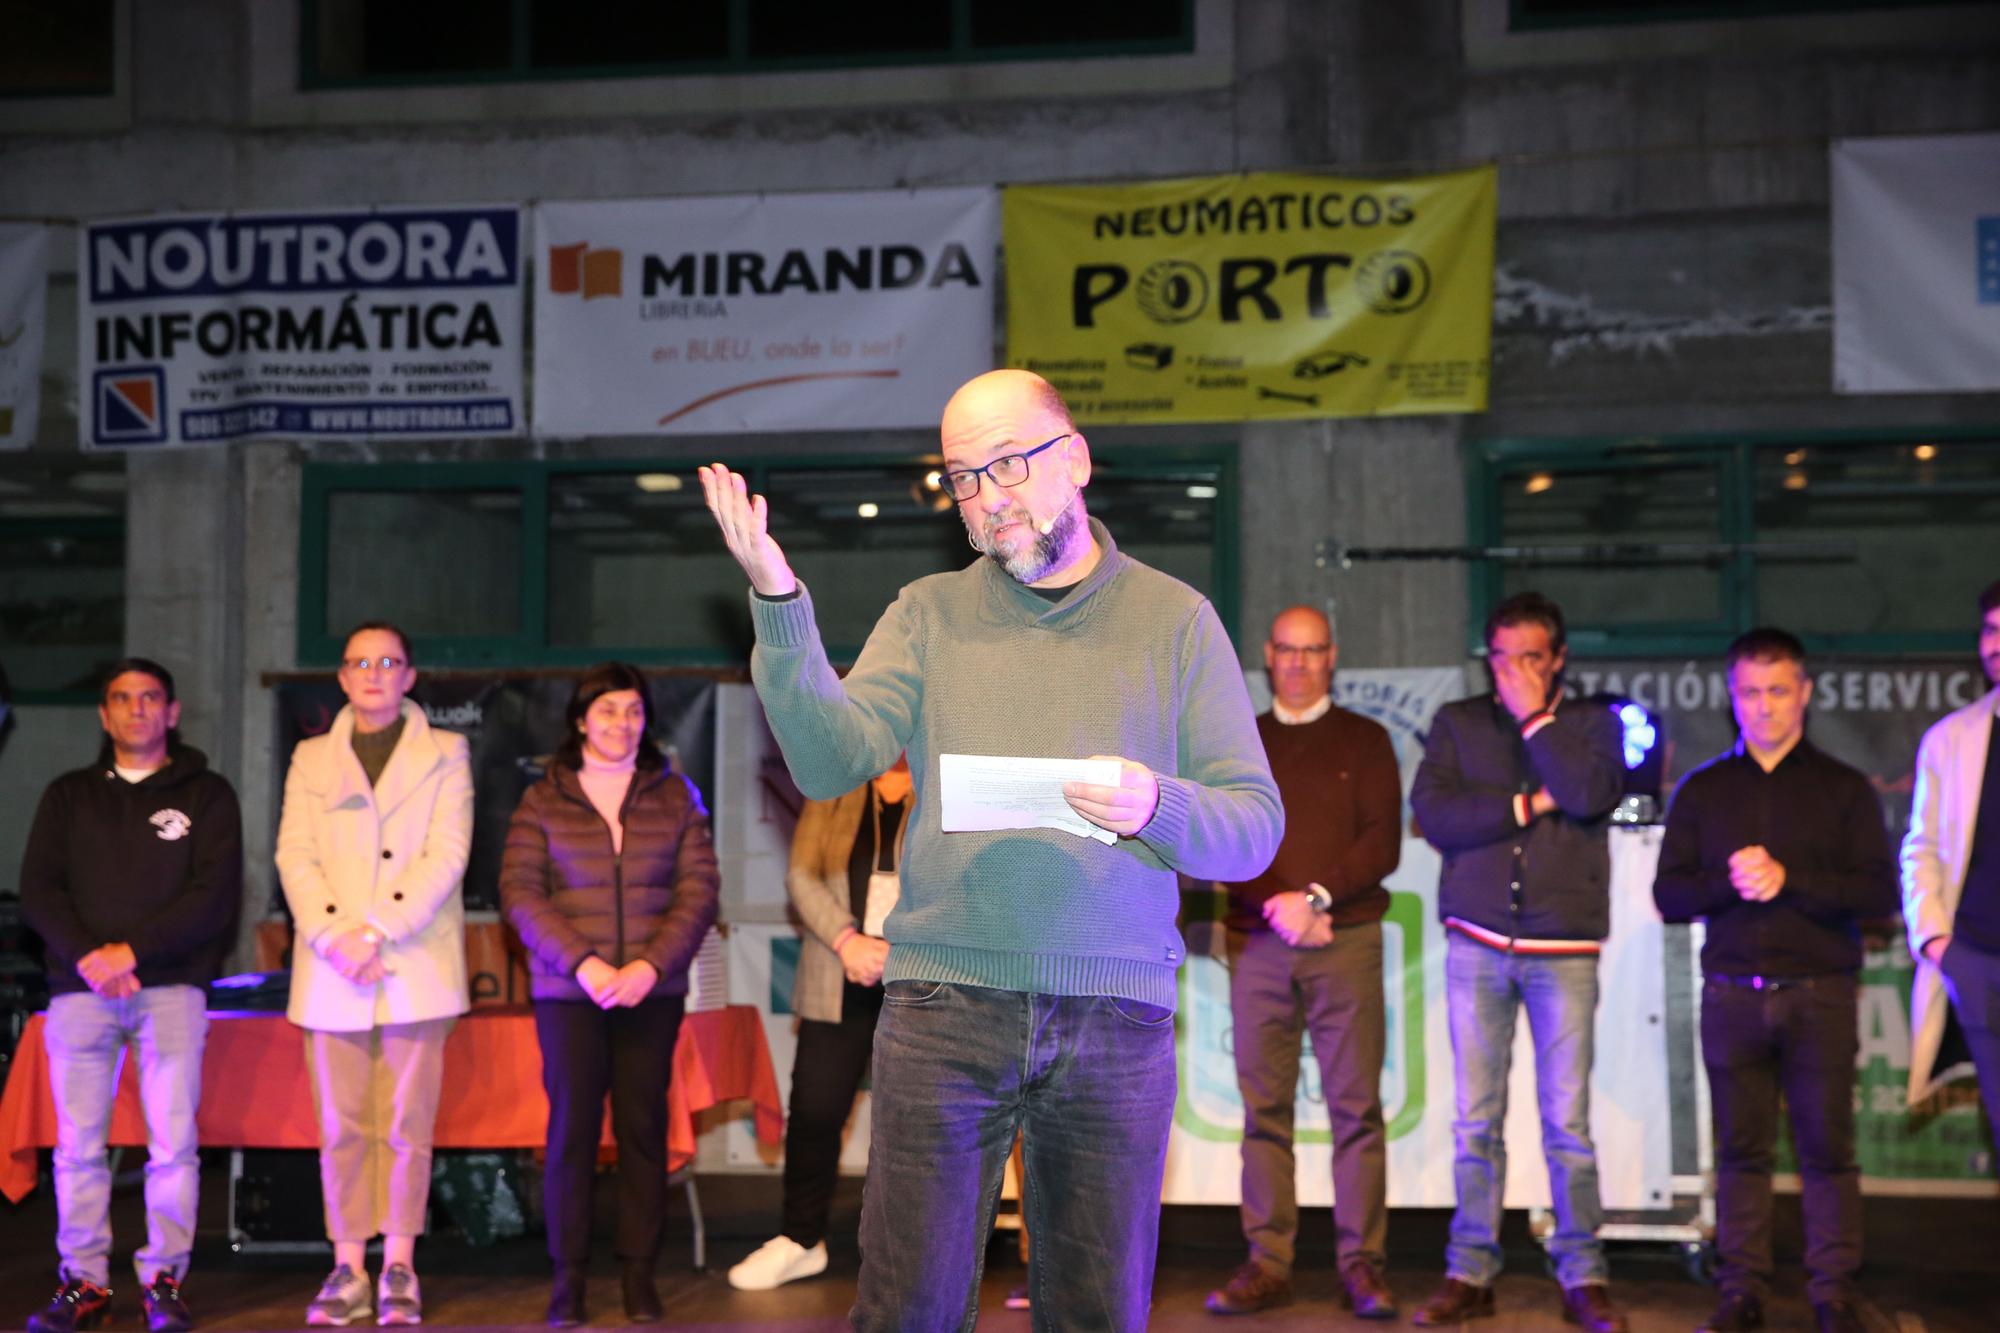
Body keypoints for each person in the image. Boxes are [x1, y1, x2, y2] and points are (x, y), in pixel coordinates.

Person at [697, 368, 1282, 1331]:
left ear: (1077, 460)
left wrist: (1156, 803)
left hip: (1113, 1018)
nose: (986, 494)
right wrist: (777, 595)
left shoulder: (1176, 622)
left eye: (1008, 462)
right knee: (904, 1312)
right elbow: (827, 756)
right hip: (941, 1011)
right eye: (964, 477)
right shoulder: (928, 612)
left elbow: (1253, 829)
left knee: (1095, 1312)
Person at [1653, 628, 1893, 1333]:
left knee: (1828, 1150)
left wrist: (1791, 880)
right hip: (1732, 993)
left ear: (1806, 694)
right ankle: (1740, 1289)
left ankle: (1834, 1290)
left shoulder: (1844, 788)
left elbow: (1878, 893)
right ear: (1733, 698)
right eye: (1751, 693)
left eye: (1778, 691)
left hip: (1820, 991)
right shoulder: (1703, 789)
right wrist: (1731, 884)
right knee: (1740, 1152)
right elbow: (1669, 896)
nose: (1764, 707)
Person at [1407, 592, 1629, 1333]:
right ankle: (1470, 1267)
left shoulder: (1593, 722)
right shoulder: (1459, 723)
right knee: (1475, 1120)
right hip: (1477, 940)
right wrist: (1524, 806)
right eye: (1502, 657)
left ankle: (1583, 1271)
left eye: (1531, 656)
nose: (1514, 671)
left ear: (1559, 658)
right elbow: (1437, 815)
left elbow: (1589, 792)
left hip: (1561, 947)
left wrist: (1538, 719)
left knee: (1566, 1122)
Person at [20, 658, 242, 1333]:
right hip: (79, 991)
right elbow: (39, 889)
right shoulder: (68, 795)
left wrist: (133, 952)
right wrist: (92, 956)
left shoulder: (207, 794)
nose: (136, 709)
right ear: (104, 713)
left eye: (150, 698)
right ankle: (84, 1280)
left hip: (170, 990)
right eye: (122, 698)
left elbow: (215, 894)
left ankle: (162, 1278)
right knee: (77, 1147)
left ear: (172, 712)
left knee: (172, 1144)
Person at [500, 662, 719, 1327]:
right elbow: (520, 893)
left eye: (632, 710)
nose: (621, 723)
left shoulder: (675, 793)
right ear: (579, 719)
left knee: (643, 1132)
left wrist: (651, 966)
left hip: (651, 993)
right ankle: (567, 1279)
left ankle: (638, 1275)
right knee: (570, 1134)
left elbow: (699, 891)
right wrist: (586, 964)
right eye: (607, 710)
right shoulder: (543, 799)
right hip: (571, 994)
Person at [1206, 606, 1401, 1320]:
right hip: (1258, 941)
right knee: (1265, 1114)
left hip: (1344, 939)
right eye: (1286, 649)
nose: (1297, 662)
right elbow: (1220, 837)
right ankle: (1268, 1261)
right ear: (1267, 654)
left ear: (1332, 656)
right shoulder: (1238, 743)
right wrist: (1283, 906)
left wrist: (1316, 897)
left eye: (1312, 649)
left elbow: (1383, 843)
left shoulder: (1367, 739)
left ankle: (1363, 1264)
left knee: (1357, 1111)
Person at [277, 623, 473, 1327]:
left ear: (409, 676)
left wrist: (378, 929)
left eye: (387, 661)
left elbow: (448, 854)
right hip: (332, 968)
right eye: (360, 662)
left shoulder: (448, 752)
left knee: (406, 1126)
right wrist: (335, 933)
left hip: (413, 962)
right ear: (341, 676)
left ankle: (398, 1264)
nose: (373, 672)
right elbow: (294, 854)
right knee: (341, 1127)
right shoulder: (308, 757)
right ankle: (346, 1264)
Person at [728, 757, 911, 1291]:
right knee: (814, 1110)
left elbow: (962, 884)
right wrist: (847, 940)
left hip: (921, 976)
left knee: (921, 1125)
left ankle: (915, 1253)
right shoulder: (833, 783)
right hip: (838, 969)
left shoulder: (940, 781)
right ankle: (800, 1241)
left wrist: (900, 948)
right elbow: (801, 874)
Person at [1903, 581, 2000, 1143]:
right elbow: (1921, 848)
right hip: (1978, 960)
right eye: (1989, 630)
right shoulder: (1950, 738)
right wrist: (1939, 944)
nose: (1996, 644)